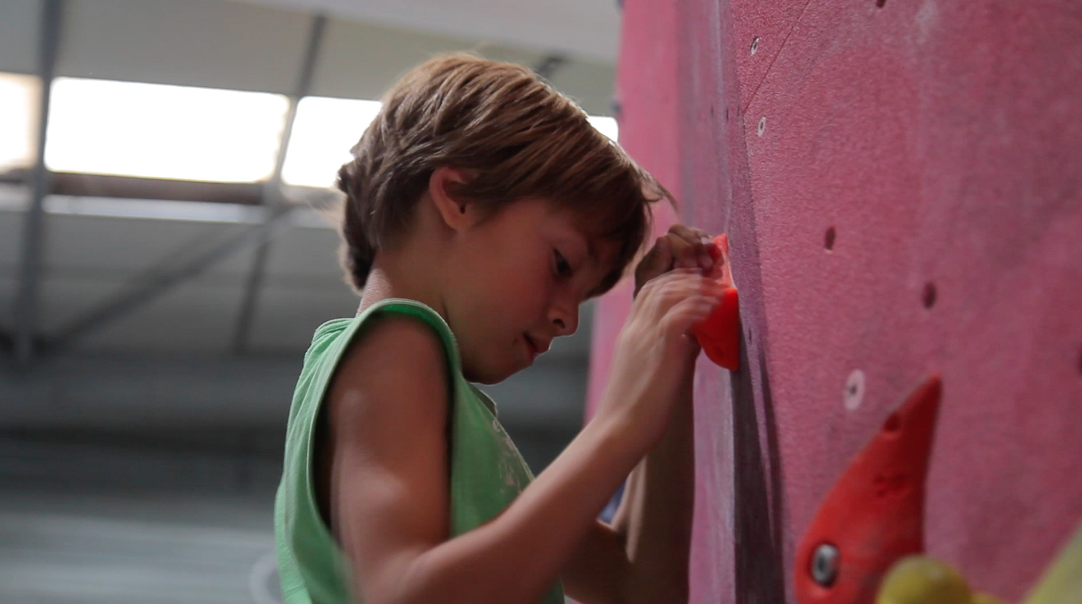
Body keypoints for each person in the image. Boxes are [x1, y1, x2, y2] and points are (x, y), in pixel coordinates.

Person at [274, 53, 725, 604]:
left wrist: (667, 355)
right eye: (561, 264)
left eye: (582, 297)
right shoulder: (396, 341)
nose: (567, 319)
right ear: (458, 198)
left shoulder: (457, 425)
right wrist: (622, 419)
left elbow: (638, 587)